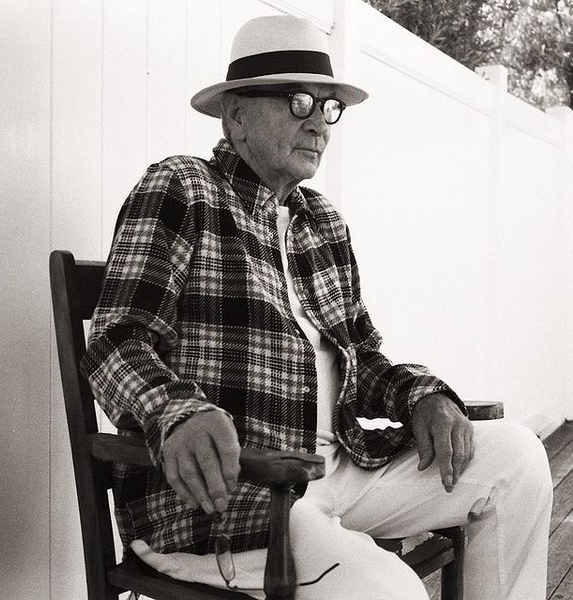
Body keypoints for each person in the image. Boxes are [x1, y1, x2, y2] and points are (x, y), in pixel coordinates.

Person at [82, 15, 552, 600]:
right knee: (393, 593)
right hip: (242, 497)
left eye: (329, 107)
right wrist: (177, 411)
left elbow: (363, 357)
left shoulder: (321, 221)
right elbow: (115, 339)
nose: (318, 123)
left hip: (343, 471)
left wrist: (423, 396)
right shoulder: (183, 188)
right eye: (298, 101)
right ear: (236, 115)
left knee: (517, 458)